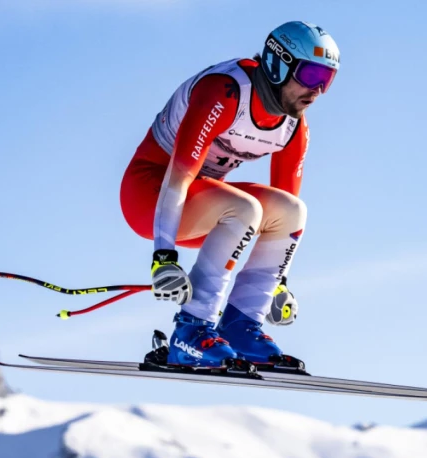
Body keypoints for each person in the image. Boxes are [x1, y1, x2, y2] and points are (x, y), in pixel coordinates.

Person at [120, 21, 340, 369]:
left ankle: (241, 326)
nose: (318, 91)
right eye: (311, 75)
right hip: (150, 196)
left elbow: (280, 218)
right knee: (244, 208)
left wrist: (276, 285)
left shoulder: (293, 126)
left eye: (327, 79)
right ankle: (191, 331)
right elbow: (178, 180)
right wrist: (164, 258)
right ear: (278, 64)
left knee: (292, 211)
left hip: (211, 209)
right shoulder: (224, 92)